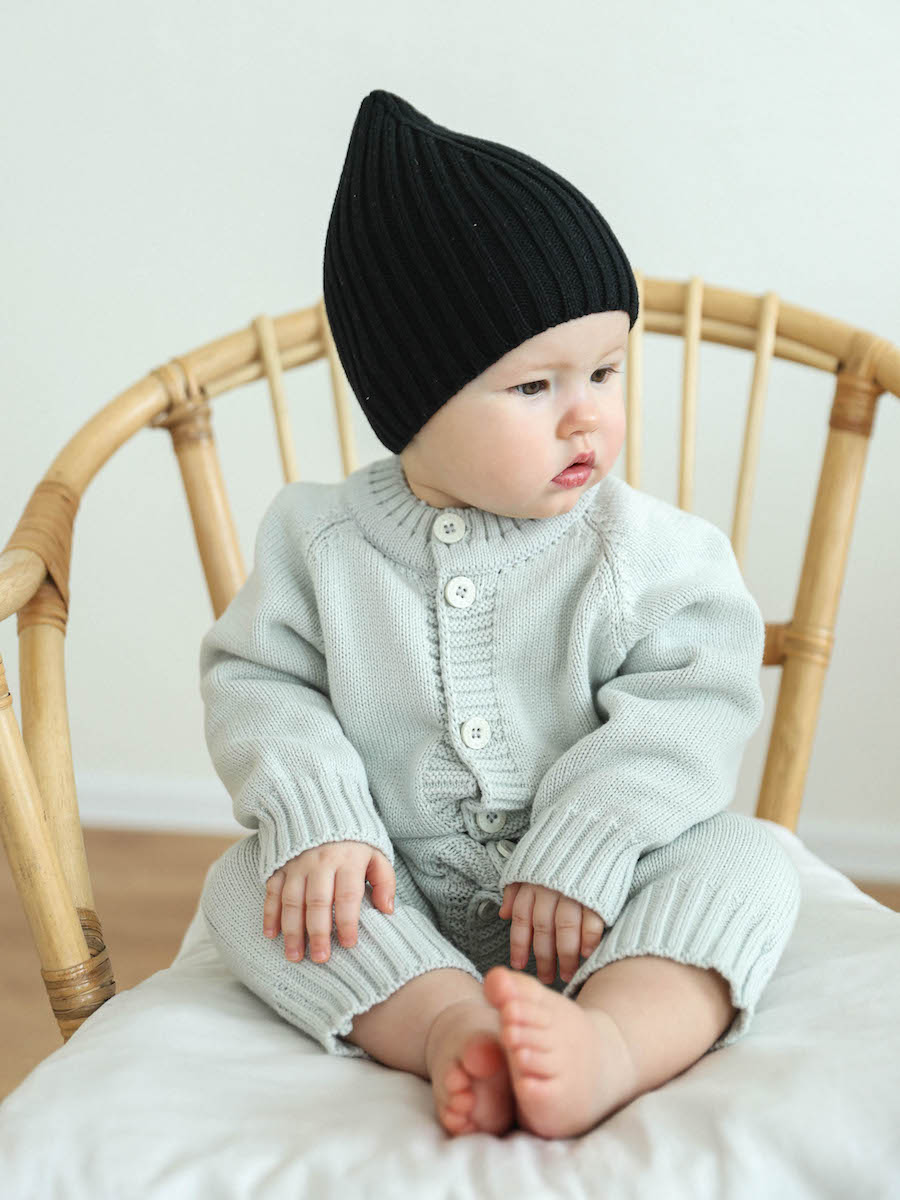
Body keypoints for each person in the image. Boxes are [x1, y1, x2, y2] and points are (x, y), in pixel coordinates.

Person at [198, 89, 801, 1140]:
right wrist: (321, 820)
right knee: (251, 886)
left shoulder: (648, 552)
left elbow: (696, 704)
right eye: (534, 388)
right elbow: (259, 682)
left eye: (605, 371)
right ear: (413, 403)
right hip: (401, 891)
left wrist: (594, 834)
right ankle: (449, 1025)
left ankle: (612, 1040)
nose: (587, 415)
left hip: (612, 885)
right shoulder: (319, 541)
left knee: (746, 860)